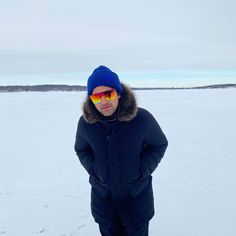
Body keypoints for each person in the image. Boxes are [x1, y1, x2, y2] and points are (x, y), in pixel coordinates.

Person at [74, 65, 168, 236]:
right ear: (91, 99)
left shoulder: (142, 119)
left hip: (136, 200)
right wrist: (94, 171)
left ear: (118, 93)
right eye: (96, 97)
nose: (103, 102)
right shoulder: (86, 124)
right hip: (104, 201)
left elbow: (159, 144)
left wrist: (143, 169)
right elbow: (81, 149)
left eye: (108, 94)